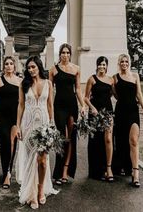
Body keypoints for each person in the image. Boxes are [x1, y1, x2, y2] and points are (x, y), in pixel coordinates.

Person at [15, 55, 58, 209]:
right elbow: (20, 105)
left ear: (39, 66)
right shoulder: (23, 84)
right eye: (29, 68)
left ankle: (41, 190)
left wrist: (52, 124)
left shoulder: (48, 83)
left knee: (43, 160)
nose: (31, 70)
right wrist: (18, 125)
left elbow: (50, 105)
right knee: (30, 160)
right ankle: (32, 194)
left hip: (44, 125)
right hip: (28, 125)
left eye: (33, 67)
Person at [113, 54, 143, 187]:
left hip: (133, 112)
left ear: (129, 63)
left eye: (126, 61)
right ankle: (123, 166)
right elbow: (115, 95)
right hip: (120, 112)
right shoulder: (115, 78)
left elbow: (139, 94)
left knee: (134, 141)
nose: (124, 64)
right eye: (122, 62)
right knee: (122, 140)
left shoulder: (135, 76)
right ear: (119, 63)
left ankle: (135, 173)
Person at [49, 43, 85, 185]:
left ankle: (65, 172)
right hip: (59, 106)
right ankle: (57, 173)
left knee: (70, 138)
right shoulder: (53, 70)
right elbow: (51, 92)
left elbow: (78, 90)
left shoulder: (76, 69)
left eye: (67, 52)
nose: (65, 55)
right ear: (60, 54)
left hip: (72, 106)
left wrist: (83, 106)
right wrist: (50, 109)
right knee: (61, 137)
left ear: (70, 54)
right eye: (63, 52)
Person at [0, 56, 21, 188]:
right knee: (5, 143)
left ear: (14, 66)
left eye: (11, 64)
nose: (8, 66)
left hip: (14, 117)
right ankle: (5, 174)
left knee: (13, 144)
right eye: (6, 64)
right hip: (0, 117)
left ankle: (8, 170)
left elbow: (21, 103)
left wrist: (20, 121)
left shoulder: (20, 81)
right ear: (3, 66)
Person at [84, 56, 114, 181]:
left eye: (104, 64)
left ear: (107, 66)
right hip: (95, 114)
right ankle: (95, 172)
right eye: (100, 64)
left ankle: (107, 169)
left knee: (107, 139)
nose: (102, 67)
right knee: (95, 141)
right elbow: (85, 97)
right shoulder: (92, 79)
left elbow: (113, 94)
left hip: (107, 112)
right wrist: (92, 107)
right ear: (97, 65)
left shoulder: (111, 80)